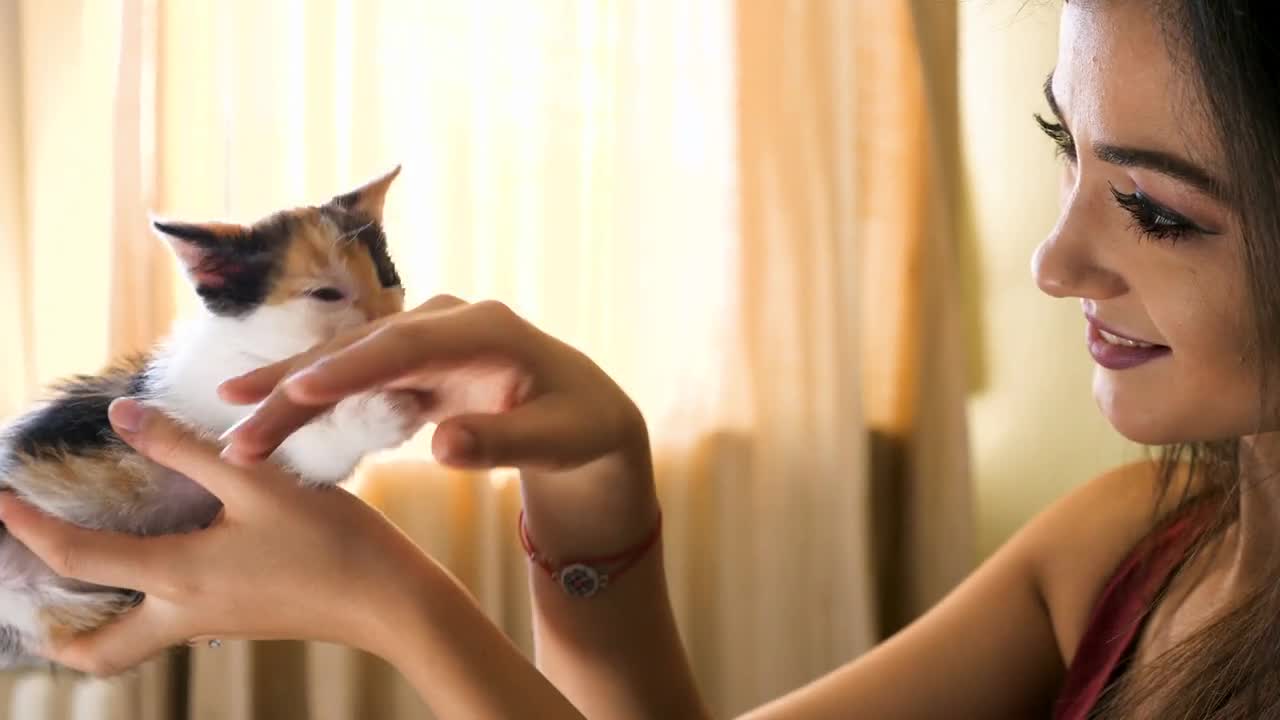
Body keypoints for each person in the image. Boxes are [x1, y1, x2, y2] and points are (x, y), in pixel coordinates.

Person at [1, 0, 1277, 717]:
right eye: (1067, 150)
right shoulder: (1132, 541)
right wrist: (595, 474)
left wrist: (385, 602)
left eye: (1155, 210)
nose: (1051, 264)